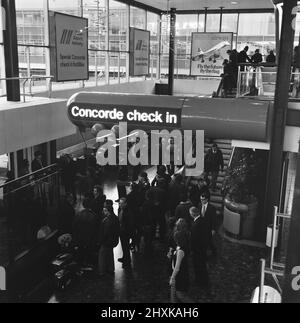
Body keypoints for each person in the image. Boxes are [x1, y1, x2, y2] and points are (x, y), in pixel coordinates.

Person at [190, 206, 211, 296]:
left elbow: (194, 239)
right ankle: (205, 280)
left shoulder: (195, 225)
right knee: (203, 265)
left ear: (193, 214)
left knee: (198, 266)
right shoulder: (203, 220)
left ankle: (200, 281)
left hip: (197, 250)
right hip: (203, 248)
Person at [169, 220, 192, 303]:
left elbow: (177, 267)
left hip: (180, 276)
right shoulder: (180, 247)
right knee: (174, 297)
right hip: (178, 275)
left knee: (180, 295)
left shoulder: (180, 251)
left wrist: (172, 277)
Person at [98, 200, 120, 276]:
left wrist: (101, 241)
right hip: (113, 240)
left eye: (104, 211)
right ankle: (111, 268)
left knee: (102, 256)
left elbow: (105, 232)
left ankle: (102, 271)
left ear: (108, 211)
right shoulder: (115, 218)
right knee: (110, 254)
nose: (103, 212)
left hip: (106, 241)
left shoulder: (106, 220)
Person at [118, 197, 134, 268]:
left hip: (125, 232)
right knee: (124, 246)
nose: (120, 205)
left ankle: (127, 260)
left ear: (125, 204)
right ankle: (125, 257)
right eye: (119, 203)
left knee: (126, 246)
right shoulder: (121, 210)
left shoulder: (128, 212)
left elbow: (129, 223)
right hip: (122, 231)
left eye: (122, 203)